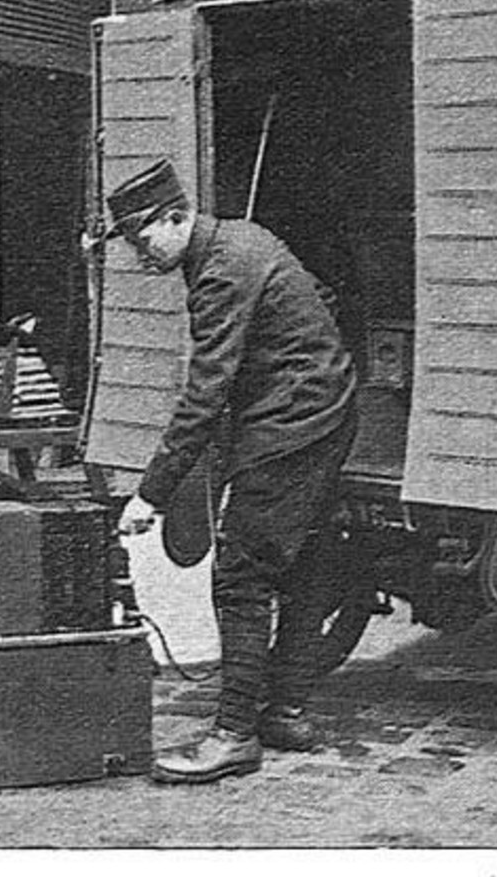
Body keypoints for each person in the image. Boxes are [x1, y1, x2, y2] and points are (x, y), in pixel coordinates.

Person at [104, 157, 358, 784]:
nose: (139, 256)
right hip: (327, 411)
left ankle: (234, 734)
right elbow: (318, 297)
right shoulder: (246, 238)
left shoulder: (219, 271)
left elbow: (205, 390)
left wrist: (150, 494)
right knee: (307, 563)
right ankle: (286, 710)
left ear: (175, 216)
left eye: (142, 239)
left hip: (292, 426)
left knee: (243, 576)